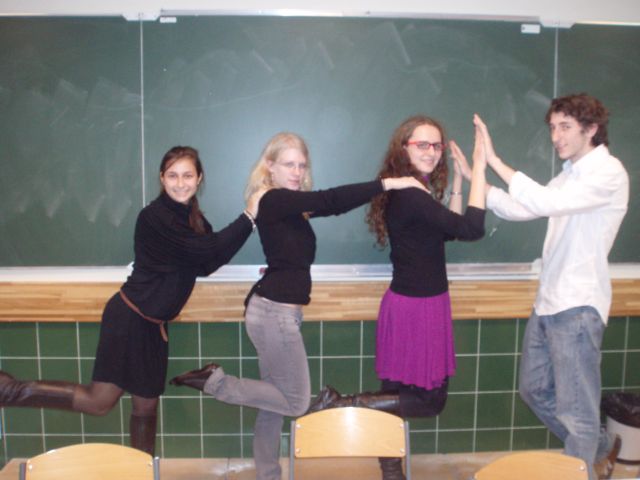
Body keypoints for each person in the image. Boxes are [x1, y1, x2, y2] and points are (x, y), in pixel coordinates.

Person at [169, 132, 428, 480]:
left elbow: (327, 207)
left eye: (301, 165)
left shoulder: (291, 206)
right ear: (270, 166)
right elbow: (331, 200)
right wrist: (389, 183)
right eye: (288, 164)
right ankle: (215, 382)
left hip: (275, 311)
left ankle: (268, 475)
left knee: (272, 404)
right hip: (273, 313)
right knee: (296, 401)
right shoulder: (273, 198)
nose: (296, 171)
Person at [0, 146, 262, 456]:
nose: (180, 183)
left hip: (153, 327)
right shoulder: (155, 217)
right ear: (161, 178)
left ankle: (141, 470)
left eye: (187, 176)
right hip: (129, 318)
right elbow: (206, 250)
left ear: (199, 178)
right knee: (99, 402)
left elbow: (207, 262)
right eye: (173, 176)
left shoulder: (193, 221)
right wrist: (249, 216)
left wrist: (248, 222)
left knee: (147, 405)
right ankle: (10, 390)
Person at [305, 115, 487, 480]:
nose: (431, 152)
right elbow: (471, 228)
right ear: (403, 148)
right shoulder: (412, 195)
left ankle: (391, 473)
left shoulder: (412, 191)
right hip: (420, 308)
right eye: (422, 144)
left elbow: (448, 231)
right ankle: (342, 402)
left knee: (393, 397)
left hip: (409, 303)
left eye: (436, 145)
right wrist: (479, 168)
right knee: (430, 401)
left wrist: (455, 184)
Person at [474, 93, 629, 480]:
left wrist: (494, 160)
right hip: (549, 302)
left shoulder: (607, 173)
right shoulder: (569, 175)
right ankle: (597, 450)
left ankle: (583, 464)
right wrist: (476, 182)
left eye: (565, 127)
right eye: (552, 128)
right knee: (534, 390)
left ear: (591, 129)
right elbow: (525, 207)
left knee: (577, 414)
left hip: (578, 305)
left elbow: (542, 202)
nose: (555, 136)